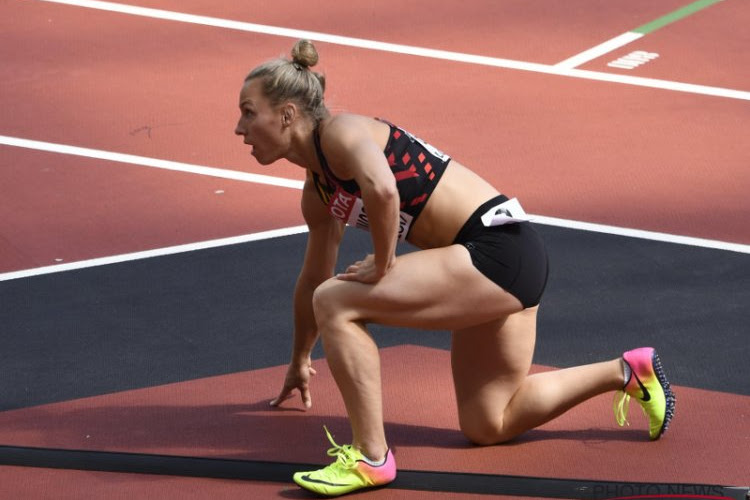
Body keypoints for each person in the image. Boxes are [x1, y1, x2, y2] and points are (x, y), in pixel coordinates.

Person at [234, 39, 675, 497]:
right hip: (491, 264)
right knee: (490, 422)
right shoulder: (318, 192)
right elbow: (313, 276)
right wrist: (300, 357)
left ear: (286, 115)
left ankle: (372, 458)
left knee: (337, 301)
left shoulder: (341, 133)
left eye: (249, 112)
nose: (239, 128)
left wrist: (383, 264)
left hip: (498, 250)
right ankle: (626, 372)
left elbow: (382, 190)